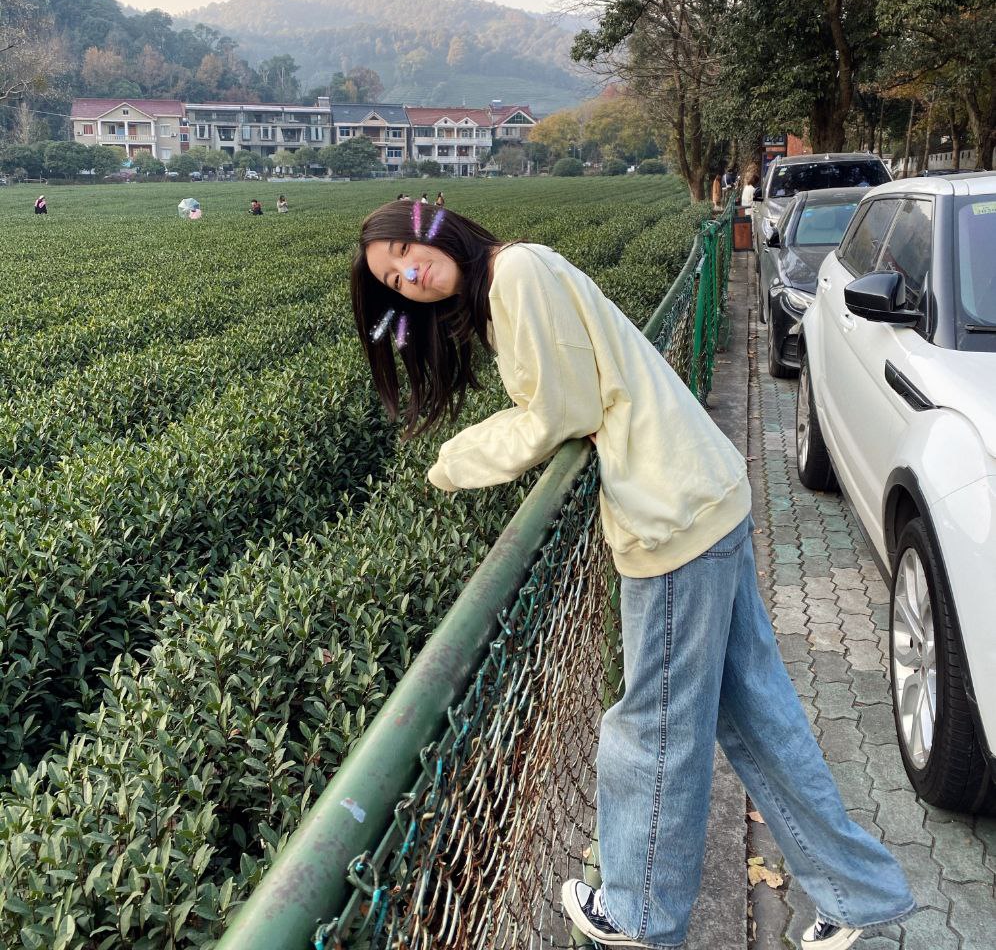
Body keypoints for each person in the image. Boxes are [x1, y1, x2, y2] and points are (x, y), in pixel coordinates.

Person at [351, 201, 914, 950]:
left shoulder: (515, 272)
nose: (410, 275)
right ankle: (861, 894)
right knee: (756, 719)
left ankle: (640, 909)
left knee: (652, 728)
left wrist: (451, 462)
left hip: (673, 521)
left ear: (430, 225)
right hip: (697, 498)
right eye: (395, 282)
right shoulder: (508, 282)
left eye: (402, 251)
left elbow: (558, 411)